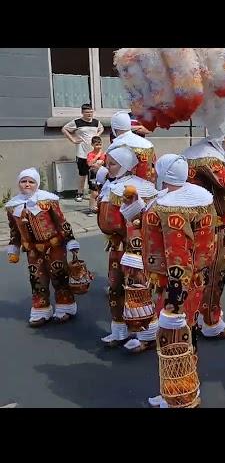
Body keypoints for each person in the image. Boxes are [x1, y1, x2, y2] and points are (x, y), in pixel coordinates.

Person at [139, 155, 215, 409]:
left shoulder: (173, 209)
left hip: (177, 283)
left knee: (174, 337)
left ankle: (179, 396)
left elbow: (179, 255)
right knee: (187, 333)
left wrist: (174, 300)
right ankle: (180, 391)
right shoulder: (194, 199)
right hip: (190, 280)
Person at [183, 130, 225, 340]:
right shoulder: (210, 158)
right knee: (215, 274)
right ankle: (210, 321)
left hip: (198, 222)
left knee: (199, 272)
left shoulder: (191, 152)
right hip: (217, 225)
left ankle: (198, 315)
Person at [98, 142, 158, 352]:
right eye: (108, 163)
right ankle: (119, 328)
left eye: (113, 164)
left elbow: (145, 221)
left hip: (134, 249)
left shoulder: (141, 187)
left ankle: (146, 333)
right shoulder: (110, 185)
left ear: (125, 165)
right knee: (115, 286)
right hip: (116, 246)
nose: (108, 167)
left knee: (137, 288)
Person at [5, 168, 81, 326]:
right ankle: (41, 309)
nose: (27, 184)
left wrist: (70, 240)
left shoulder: (48, 201)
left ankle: (65, 306)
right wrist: (14, 248)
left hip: (54, 246)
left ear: (37, 184)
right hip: (32, 249)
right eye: (23, 181)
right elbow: (14, 230)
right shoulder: (13, 206)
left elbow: (61, 222)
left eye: (31, 182)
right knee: (37, 278)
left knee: (59, 275)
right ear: (19, 183)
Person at [61, 104, 105, 202]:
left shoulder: (96, 122)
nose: (89, 114)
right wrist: (72, 139)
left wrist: (97, 135)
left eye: (90, 112)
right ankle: (79, 193)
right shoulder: (77, 122)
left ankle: (92, 194)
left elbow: (101, 128)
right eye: (86, 112)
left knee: (94, 174)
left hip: (94, 153)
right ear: (82, 112)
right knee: (82, 174)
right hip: (82, 153)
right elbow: (64, 129)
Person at [110, 110, 156, 183]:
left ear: (113, 128)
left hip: (126, 189)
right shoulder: (148, 144)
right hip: (147, 188)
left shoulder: (116, 145)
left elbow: (113, 174)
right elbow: (153, 167)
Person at [87, 136, 106, 215]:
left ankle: (98, 207)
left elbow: (103, 163)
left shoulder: (103, 154)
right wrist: (97, 157)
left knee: (100, 191)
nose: (98, 146)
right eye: (96, 145)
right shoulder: (90, 154)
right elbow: (90, 164)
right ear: (92, 145)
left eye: (100, 144)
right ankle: (91, 208)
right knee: (94, 192)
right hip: (93, 174)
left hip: (101, 174)